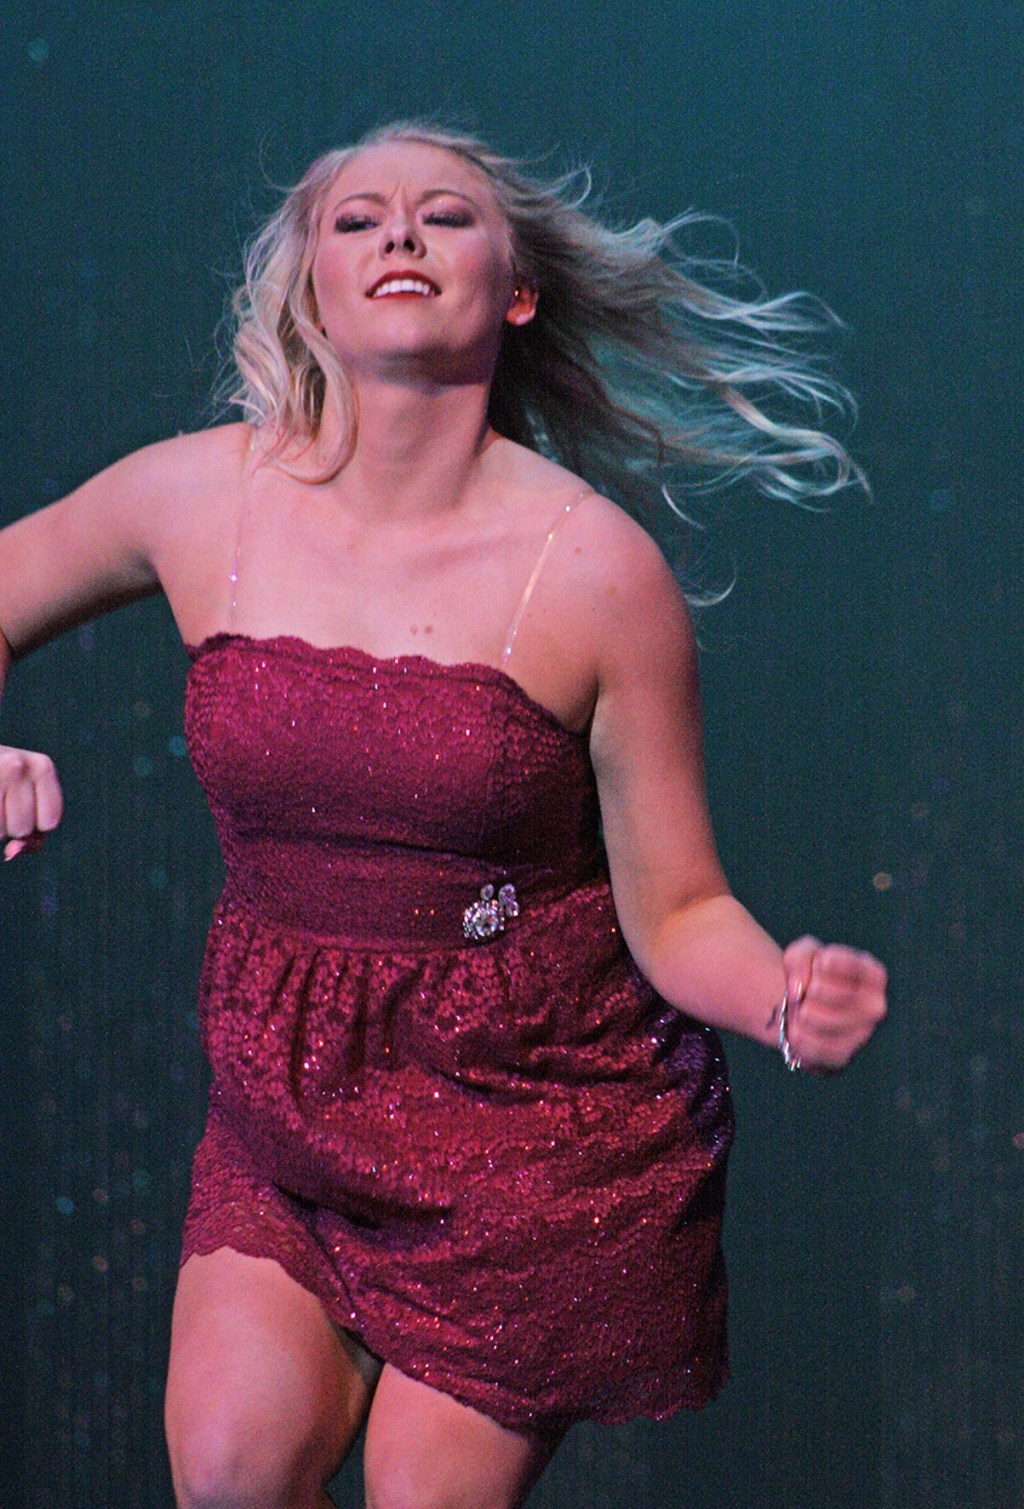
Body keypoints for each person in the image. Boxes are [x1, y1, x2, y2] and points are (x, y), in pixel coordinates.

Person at [0, 122, 887, 1508]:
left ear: (516, 288)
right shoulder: (197, 497)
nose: (399, 236)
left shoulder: (594, 571)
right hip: (289, 1104)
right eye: (356, 220)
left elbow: (677, 909)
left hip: (531, 1120)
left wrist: (777, 991)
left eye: (443, 216)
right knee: (230, 1467)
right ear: (308, 283)